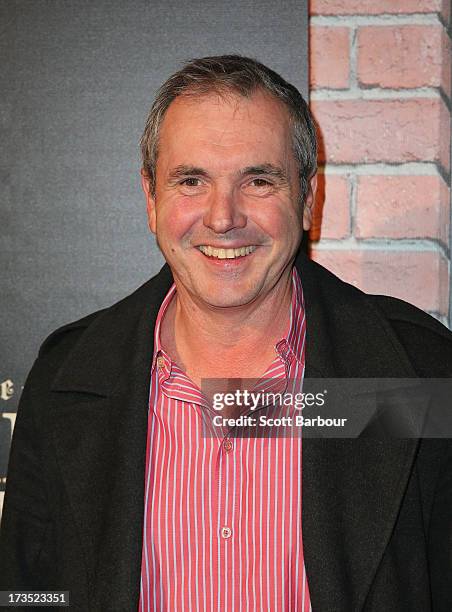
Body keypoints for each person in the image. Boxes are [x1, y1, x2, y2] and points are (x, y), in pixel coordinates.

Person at [0, 55, 451, 612]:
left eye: (258, 181)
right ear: (150, 198)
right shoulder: (67, 381)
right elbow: (28, 594)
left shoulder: (416, 374)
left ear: (308, 198)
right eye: (191, 181)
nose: (222, 217)